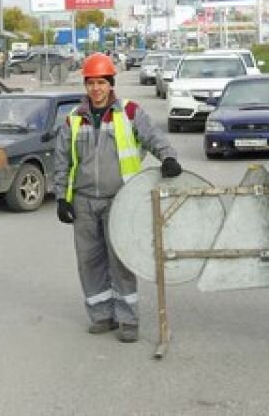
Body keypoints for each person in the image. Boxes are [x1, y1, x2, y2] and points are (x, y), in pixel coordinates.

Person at [53, 52, 182, 343]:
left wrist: (168, 157)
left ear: (111, 83)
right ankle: (101, 316)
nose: (96, 89)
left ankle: (128, 321)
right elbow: (62, 161)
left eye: (101, 82)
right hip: (84, 202)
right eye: (91, 83)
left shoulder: (130, 112)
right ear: (85, 86)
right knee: (89, 262)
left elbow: (153, 137)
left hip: (120, 200)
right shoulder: (73, 120)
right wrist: (61, 197)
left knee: (120, 262)